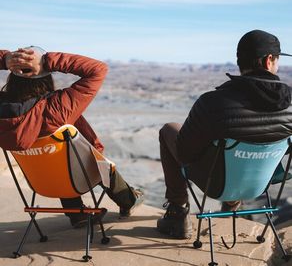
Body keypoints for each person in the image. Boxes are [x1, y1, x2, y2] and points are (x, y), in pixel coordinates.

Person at [157, 29, 292, 239]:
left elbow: (183, 154)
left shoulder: (213, 102)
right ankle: (232, 206)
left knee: (169, 130)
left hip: (216, 184)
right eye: (276, 60)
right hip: (258, 185)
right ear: (268, 61)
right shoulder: (290, 106)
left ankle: (177, 213)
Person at [0, 46, 143, 228]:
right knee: (91, 158)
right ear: (45, 77)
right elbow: (98, 69)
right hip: (83, 176)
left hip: (41, 181)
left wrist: (5, 59)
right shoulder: (56, 108)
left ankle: (78, 215)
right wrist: (46, 61)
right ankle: (128, 200)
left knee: (58, 158)